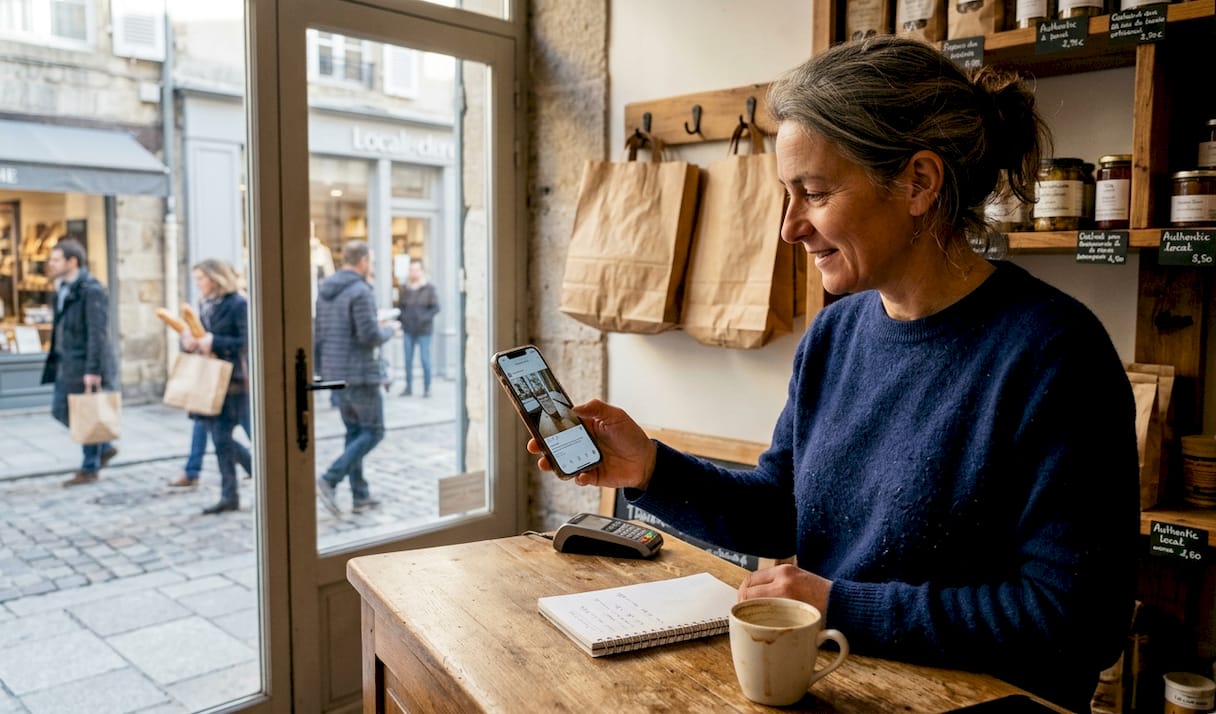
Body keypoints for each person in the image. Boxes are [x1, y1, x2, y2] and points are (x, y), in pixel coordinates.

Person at [530, 37, 1138, 711]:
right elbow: (785, 509)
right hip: (839, 686)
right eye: (787, 196)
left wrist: (839, 605)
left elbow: (1076, 623)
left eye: (814, 193)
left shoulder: (1055, 353)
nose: (790, 229)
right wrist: (650, 470)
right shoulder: (836, 333)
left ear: (919, 183)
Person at [314, 240, 394, 515]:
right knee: (373, 431)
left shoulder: (325, 290)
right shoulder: (360, 291)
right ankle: (329, 478)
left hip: (335, 374)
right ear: (363, 261)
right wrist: (389, 330)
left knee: (354, 433)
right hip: (359, 374)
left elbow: (319, 333)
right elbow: (369, 335)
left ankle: (360, 495)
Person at [41, 239, 119, 487]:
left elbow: (98, 333)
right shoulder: (62, 288)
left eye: (56, 259)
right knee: (60, 410)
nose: (51, 264)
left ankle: (90, 467)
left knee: (86, 411)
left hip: (84, 364)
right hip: (66, 362)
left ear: (72, 261)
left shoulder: (92, 289)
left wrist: (93, 370)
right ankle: (103, 446)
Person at [181, 259, 252, 514]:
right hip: (210, 382)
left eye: (201, 278)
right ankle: (229, 495)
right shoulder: (205, 305)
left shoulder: (238, 304)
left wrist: (214, 341)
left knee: (255, 435)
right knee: (221, 440)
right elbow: (201, 339)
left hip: (235, 382)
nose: (198, 283)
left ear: (215, 278)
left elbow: (246, 340)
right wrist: (189, 342)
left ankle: (263, 472)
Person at [397, 259, 439, 397]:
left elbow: (436, 308)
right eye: (411, 270)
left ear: (422, 271)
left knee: (425, 359)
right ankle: (408, 387)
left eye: (416, 269)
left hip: (424, 330)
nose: (414, 272)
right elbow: (400, 307)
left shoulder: (429, 288)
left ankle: (427, 387)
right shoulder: (405, 289)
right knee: (407, 360)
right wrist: (402, 321)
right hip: (408, 330)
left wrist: (423, 319)